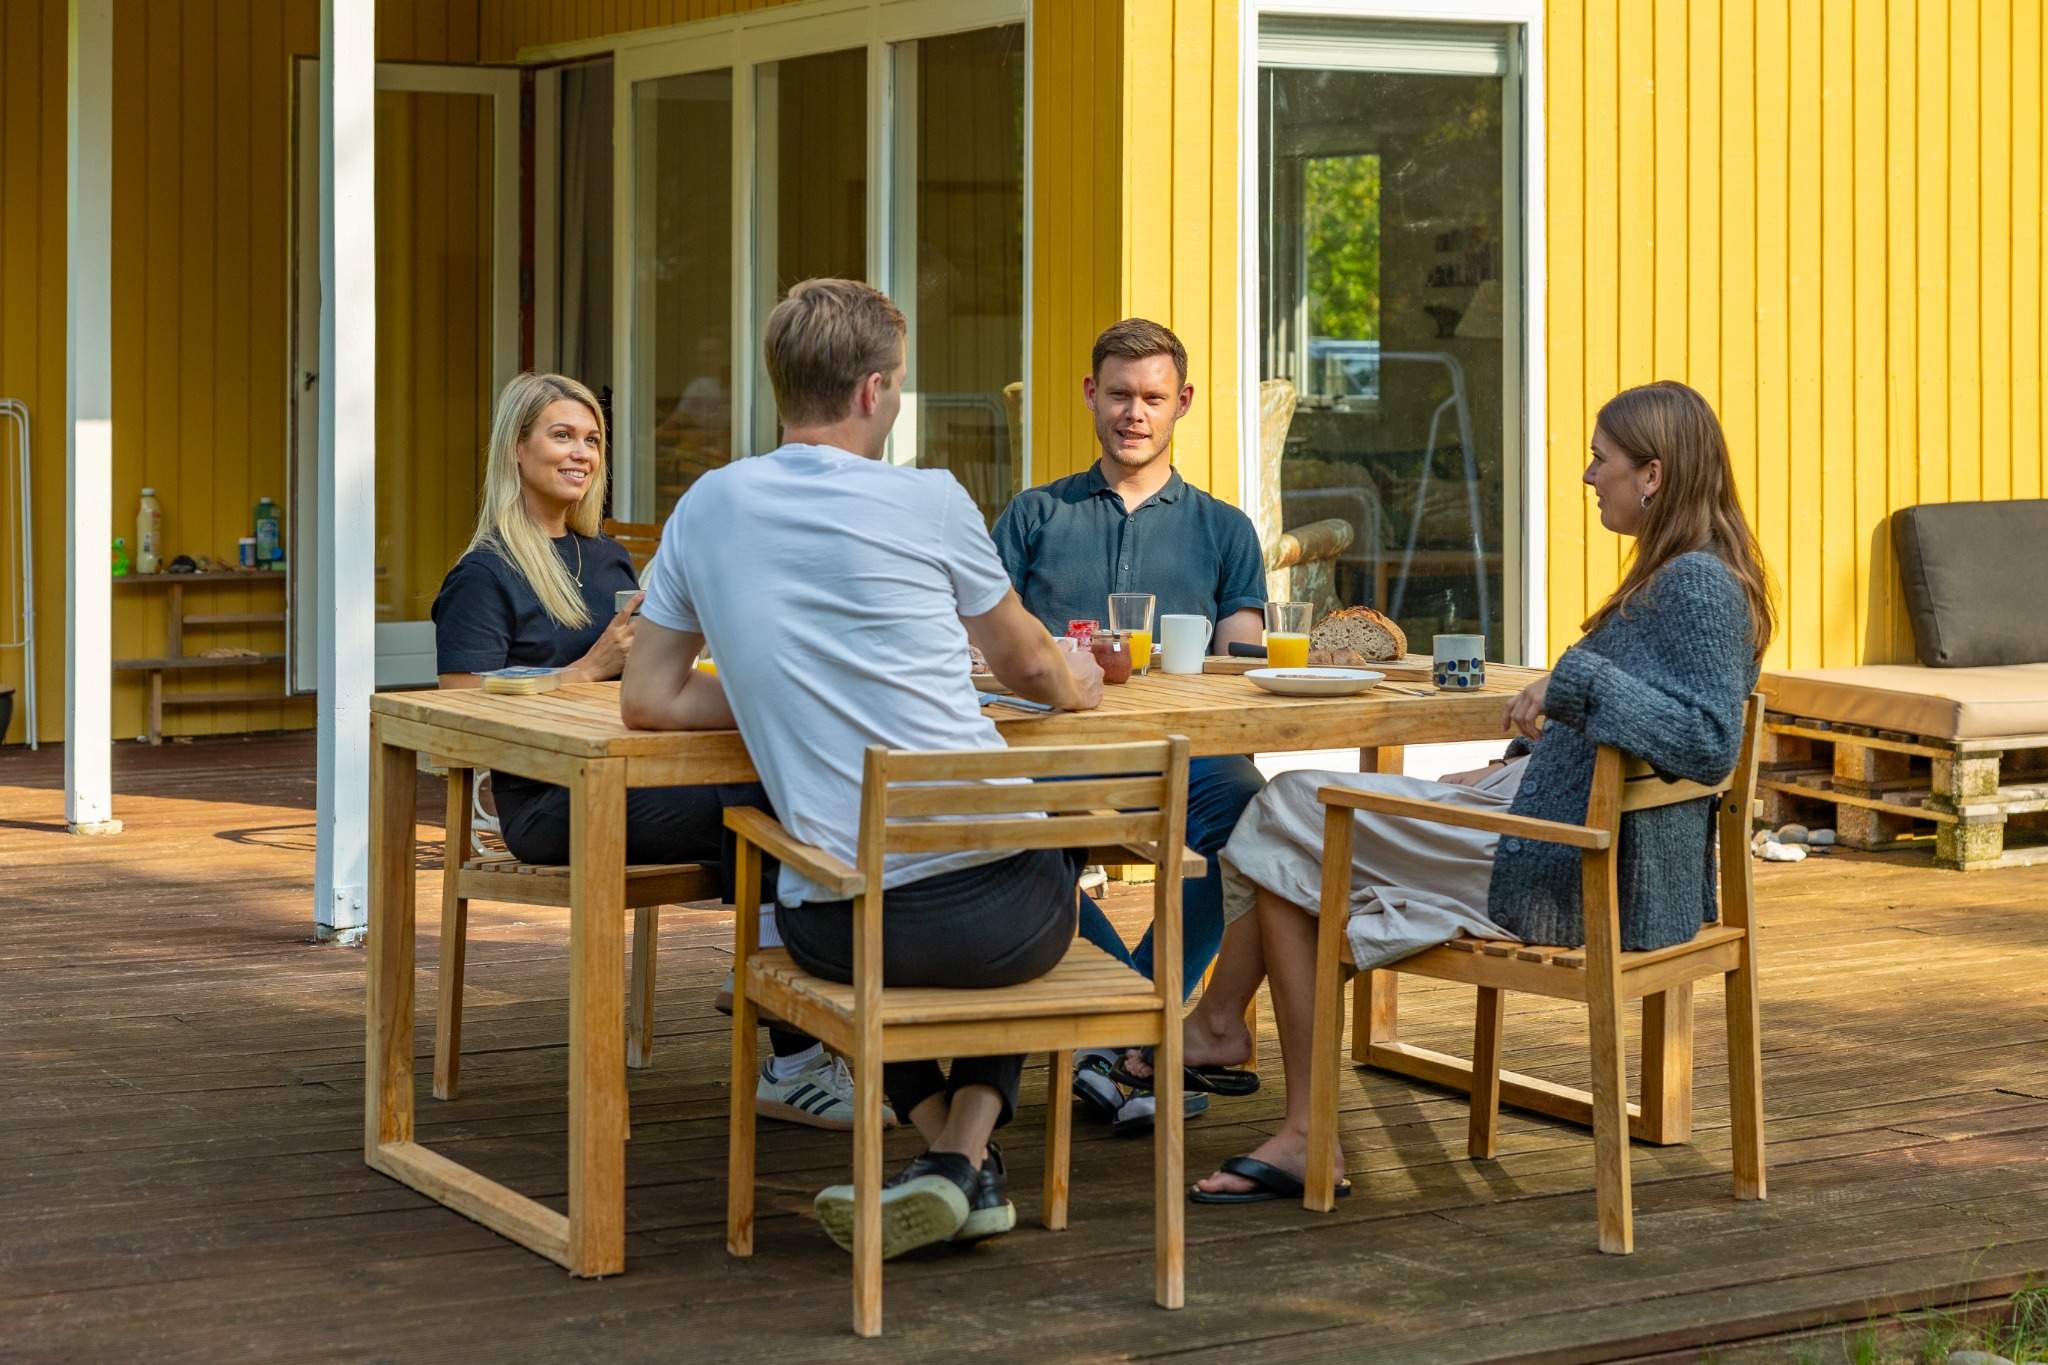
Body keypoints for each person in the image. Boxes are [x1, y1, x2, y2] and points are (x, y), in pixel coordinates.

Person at [1133, 380, 1775, 1203]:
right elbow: (1628, 717)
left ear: (1652, 475)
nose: (1588, 476)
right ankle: (1276, 1098)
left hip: (1561, 863)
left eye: (1599, 459)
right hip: (1546, 816)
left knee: (1286, 808)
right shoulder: (1691, 574)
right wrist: (1521, 751)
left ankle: (1236, 1046)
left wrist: (1569, 680)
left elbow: (1705, 736)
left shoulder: (1696, 584)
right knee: (1295, 848)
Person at [621, 279, 1105, 1258]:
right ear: (873, 391)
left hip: (835, 925)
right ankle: (962, 1158)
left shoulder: (707, 504)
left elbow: (649, 698)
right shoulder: (928, 497)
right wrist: (1084, 680)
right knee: (1047, 860)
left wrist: (778, 692)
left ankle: (952, 1164)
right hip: (1001, 915)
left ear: (781, 386)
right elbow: (1026, 667)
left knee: (890, 961)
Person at [430, 371, 877, 1134]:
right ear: (516, 447)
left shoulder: (602, 558)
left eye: (593, 438)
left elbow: (652, 676)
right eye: (562, 435)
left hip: (631, 777)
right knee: (771, 812)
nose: (582, 453)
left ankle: (788, 1007)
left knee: (792, 801)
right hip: (548, 802)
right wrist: (586, 668)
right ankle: (797, 1053)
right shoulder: (484, 573)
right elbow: (457, 718)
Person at [990, 317, 1268, 1134]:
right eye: (1118, 394)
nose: (1134, 412)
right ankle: (1136, 1036)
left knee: (1254, 811)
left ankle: (1115, 1034)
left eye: (1152, 397)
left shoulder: (1225, 529)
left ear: (1181, 403)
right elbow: (982, 641)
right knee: (1001, 821)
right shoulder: (1035, 514)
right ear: (1090, 395)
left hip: (1183, 758)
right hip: (1049, 754)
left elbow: (1240, 665)